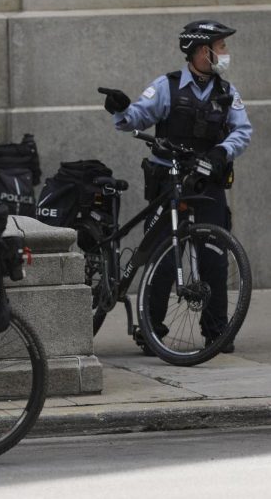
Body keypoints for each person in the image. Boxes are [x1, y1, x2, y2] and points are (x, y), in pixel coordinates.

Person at [99, 20, 252, 354]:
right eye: (221, 46)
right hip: (169, 181)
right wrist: (121, 109)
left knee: (213, 257)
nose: (225, 53)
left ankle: (217, 332)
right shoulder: (167, 87)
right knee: (164, 259)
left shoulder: (227, 92)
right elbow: (135, 119)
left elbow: (242, 131)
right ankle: (152, 331)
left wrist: (220, 152)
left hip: (207, 182)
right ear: (202, 51)